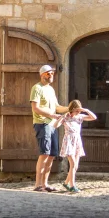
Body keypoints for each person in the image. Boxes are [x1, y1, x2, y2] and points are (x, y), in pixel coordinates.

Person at [29, 64, 68, 192]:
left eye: (52, 73)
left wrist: (71, 108)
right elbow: (35, 108)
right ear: (42, 75)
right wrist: (51, 115)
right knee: (44, 153)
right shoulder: (37, 88)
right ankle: (37, 184)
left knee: (51, 155)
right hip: (42, 124)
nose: (51, 75)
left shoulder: (51, 89)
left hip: (52, 125)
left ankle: (45, 184)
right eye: (48, 73)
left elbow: (57, 107)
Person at [53, 100, 96, 192]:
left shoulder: (80, 117)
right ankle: (72, 186)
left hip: (77, 141)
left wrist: (86, 110)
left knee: (75, 165)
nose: (78, 112)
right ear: (72, 109)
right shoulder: (66, 117)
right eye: (76, 110)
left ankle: (66, 183)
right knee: (72, 164)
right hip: (68, 140)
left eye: (79, 111)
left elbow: (93, 117)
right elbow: (55, 125)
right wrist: (62, 117)